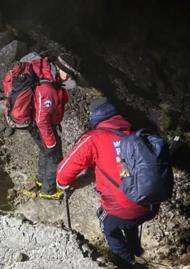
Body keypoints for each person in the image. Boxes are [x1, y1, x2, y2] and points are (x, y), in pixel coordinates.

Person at [56, 98, 159, 268]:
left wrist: (63, 184)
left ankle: (126, 263)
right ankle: (136, 249)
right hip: (151, 204)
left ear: (95, 118)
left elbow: (62, 174)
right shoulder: (136, 135)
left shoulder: (94, 138)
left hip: (126, 210)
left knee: (108, 225)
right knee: (127, 214)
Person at [29, 53, 80, 199]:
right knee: (54, 156)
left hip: (43, 126)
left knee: (45, 152)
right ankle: (48, 191)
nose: (69, 78)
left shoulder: (52, 79)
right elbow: (42, 120)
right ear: (60, 68)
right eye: (68, 74)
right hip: (42, 127)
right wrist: (51, 142)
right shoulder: (47, 90)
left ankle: (41, 180)